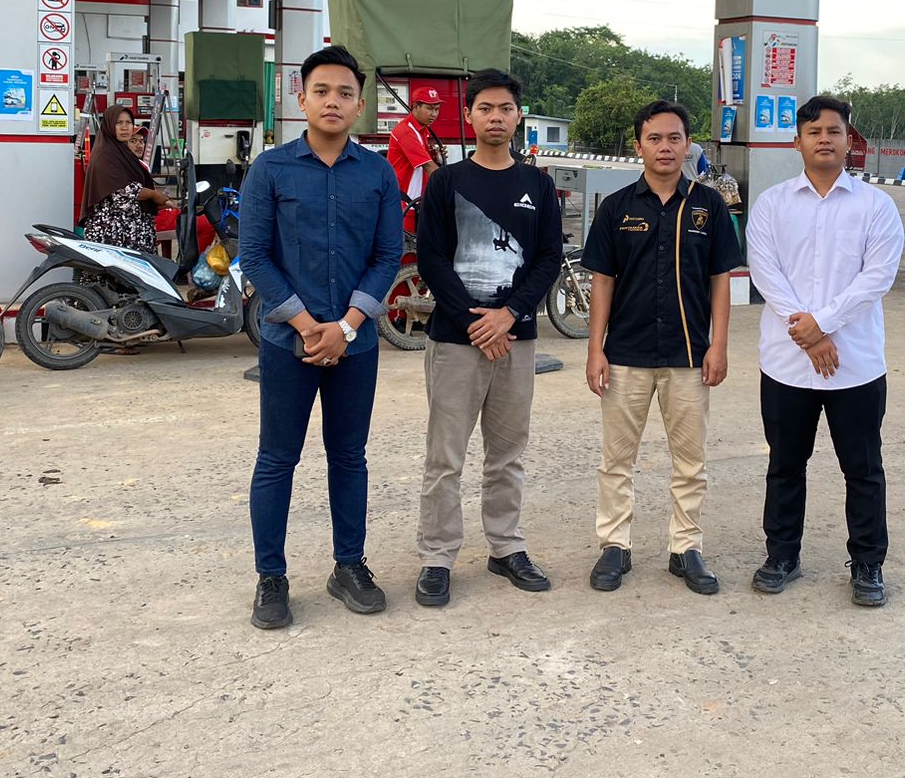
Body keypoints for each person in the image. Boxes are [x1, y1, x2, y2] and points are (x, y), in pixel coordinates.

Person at [239, 45, 403, 630]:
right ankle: (271, 577)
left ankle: (349, 566)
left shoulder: (378, 174)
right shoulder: (271, 169)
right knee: (276, 459)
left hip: (356, 346)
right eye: (322, 91)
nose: (333, 101)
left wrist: (348, 326)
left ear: (360, 106)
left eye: (345, 93)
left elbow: (387, 256)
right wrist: (308, 326)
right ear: (301, 98)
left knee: (349, 457)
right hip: (289, 343)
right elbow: (254, 254)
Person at [743, 95, 905, 608]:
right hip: (787, 363)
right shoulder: (772, 204)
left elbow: (876, 277)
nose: (824, 139)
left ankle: (868, 563)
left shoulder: (875, 206)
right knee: (785, 465)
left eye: (834, 131)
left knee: (863, 468)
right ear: (798, 142)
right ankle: (782, 555)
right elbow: (766, 272)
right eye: (814, 132)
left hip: (854, 364)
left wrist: (823, 325)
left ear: (848, 140)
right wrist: (809, 334)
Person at [412, 70, 562, 607]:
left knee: (507, 453)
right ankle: (437, 556)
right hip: (456, 341)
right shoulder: (446, 182)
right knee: (445, 456)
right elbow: (431, 256)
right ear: (469, 116)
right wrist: (477, 322)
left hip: (516, 340)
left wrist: (510, 314)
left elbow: (548, 258)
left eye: (505, 108)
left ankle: (506, 546)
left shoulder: (537, 185)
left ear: (519, 116)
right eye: (485, 108)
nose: (495, 117)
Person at [583, 100, 741, 595]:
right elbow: (603, 281)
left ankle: (685, 548)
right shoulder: (616, 207)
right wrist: (595, 349)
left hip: (689, 355)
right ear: (639, 146)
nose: (665, 147)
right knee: (616, 460)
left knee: (690, 462)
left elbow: (721, 279)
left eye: (674, 138)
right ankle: (615, 545)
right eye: (654, 139)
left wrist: (719, 345)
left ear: (688, 145)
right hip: (625, 354)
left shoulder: (708, 206)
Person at [78, 105, 170, 262]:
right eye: (119, 123)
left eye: (128, 122)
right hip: (114, 235)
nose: (125, 127)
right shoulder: (105, 154)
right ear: (109, 125)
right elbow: (124, 191)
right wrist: (154, 195)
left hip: (132, 233)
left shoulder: (123, 153)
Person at [387, 86, 444, 233]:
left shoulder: (422, 130)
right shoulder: (406, 131)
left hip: (415, 202)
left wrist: (436, 156)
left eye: (437, 109)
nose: (434, 114)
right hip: (404, 203)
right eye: (429, 108)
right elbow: (429, 168)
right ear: (416, 106)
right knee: (407, 245)